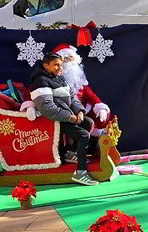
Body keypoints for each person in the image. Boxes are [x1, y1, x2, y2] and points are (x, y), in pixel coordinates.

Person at [30, 52, 99, 186]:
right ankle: (80, 172)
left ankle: (71, 153)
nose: (60, 68)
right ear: (46, 66)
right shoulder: (40, 81)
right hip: (52, 121)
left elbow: (72, 97)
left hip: (65, 117)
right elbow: (48, 109)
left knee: (88, 122)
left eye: (61, 65)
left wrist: (79, 111)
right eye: (56, 65)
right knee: (83, 135)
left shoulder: (60, 78)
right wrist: (70, 117)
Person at [53, 44, 112, 137]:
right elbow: (37, 92)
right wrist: (30, 106)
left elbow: (91, 96)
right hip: (60, 116)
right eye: (65, 59)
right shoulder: (51, 80)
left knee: (97, 117)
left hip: (79, 115)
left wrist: (100, 108)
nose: (68, 62)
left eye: (71, 58)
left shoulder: (79, 84)